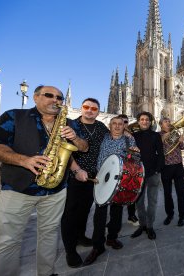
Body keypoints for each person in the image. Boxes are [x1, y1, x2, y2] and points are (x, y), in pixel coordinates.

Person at [0, 85, 88, 276]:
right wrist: (24, 160)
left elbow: (83, 148)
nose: (55, 100)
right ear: (35, 97)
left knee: (49, 235)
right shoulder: (13, 116)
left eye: (59, 97)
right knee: (8, 242)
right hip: (18, 188)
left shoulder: (67, 122)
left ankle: (46, 273)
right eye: (49, 95)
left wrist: (75, 138)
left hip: (56, 189)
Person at [83, 116, 139, 266]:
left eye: (120, 124)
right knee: (99, 214)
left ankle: (112, 237)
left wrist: (136, 154)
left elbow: (135, 162)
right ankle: (97, 246)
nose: (117, 126)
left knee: (117, 212)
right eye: (114, 123)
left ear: (124, 126)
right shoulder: (103, 136)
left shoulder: (129, 140)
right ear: (110, 125)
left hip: (119, 180)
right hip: (101, 178)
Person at [60, 98, 109, 268]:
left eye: (93, 108)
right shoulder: (70, 124)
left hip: (92, 176)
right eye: (86, 107)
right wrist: (76, 170)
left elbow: (110, 142)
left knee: (85, 209)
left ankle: (80, 236)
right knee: (70, 214)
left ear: (98, 111)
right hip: (73, 176)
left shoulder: (102, 127)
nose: (89, 110)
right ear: (81, 108)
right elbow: (62, 149)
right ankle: (70, 250)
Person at [130, 112, 164, 240]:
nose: (144, 122)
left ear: (150, 122)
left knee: (152, 202)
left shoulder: (156, 136)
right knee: (139, 202)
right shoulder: (133, 136)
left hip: (152, 173)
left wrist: (157, 170)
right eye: (142, 119)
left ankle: (150, 226)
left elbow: (160, 154)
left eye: (147, 120)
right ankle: (142, 225)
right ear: (138, 121)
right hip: (138, 174)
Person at [159, 117, 184, 226]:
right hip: (166, 167)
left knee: (181, 192)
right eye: (166, 121)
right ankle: (169, 214)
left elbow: (182, 147)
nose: (169, 123)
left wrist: (181, 141)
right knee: (167, 193)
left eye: (169, 121)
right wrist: (164, 136)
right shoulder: (158, 135)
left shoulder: (175, 133)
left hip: (178, 166)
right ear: (161, 125)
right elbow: (157, 148)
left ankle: (182, 215)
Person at [118, 114, 140, 226]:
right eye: (120, 121)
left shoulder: (132, 135)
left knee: (131, 192)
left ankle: (131, 215)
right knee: (116, 195)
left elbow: (137, 152)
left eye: (125, 122)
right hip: (117, 169)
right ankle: (114, 221)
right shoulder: (112, 135)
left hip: (131, 168)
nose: (123, 124)